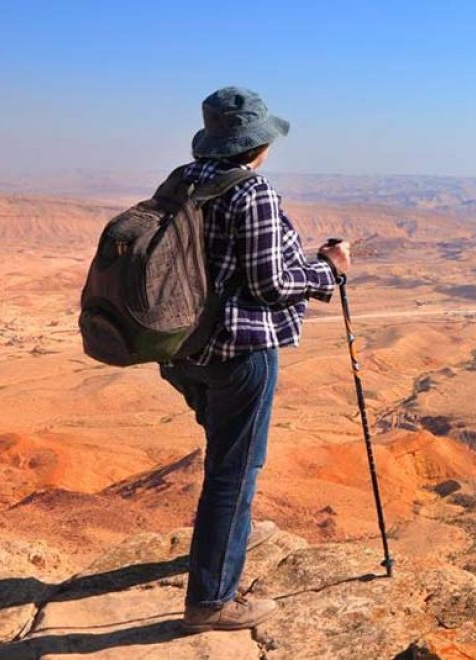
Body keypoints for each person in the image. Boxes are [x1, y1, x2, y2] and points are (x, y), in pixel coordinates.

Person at [158, 86, 351, 632]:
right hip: (239, 350)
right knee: (234, 469)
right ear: (257, 144)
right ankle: (212, 599)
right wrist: (329, 272)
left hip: (181, 349)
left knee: (225, 456)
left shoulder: (182, 181)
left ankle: (227, 542)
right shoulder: (252, 192)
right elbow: (272, 284)